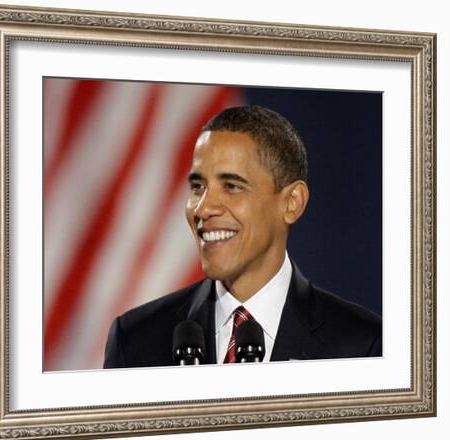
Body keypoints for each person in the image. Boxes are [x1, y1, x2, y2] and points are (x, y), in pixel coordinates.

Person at [103, 105, 381, 369]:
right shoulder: (134, 340)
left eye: (231, 186)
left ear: (292, 203)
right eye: (198, 186)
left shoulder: (363, 344)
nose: (203, 208)